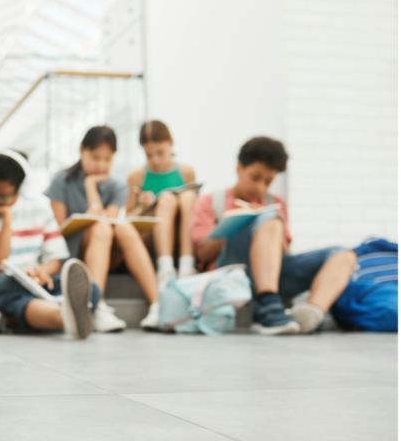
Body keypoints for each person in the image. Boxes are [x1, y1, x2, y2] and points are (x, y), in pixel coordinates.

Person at [191, 136, 356, 335]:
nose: (260, 187)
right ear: (239, 168)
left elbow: (284, 253)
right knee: (267, 218)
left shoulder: (275, 203)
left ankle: (311, 314)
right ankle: (268, 304)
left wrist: (267, 223)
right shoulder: (211, 202)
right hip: (229, 271)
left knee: (343, 255)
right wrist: (238, 222)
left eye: (268, 181)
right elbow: (202, 254)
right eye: (255, 177)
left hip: (271, 272)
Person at [0, 150, 100, 339]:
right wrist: (7, 217)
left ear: (20, 188)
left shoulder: (40, 208)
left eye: (2, 196)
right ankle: (62, 317)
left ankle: (10, 320)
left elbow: (55, 256)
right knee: (6, 286)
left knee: (92, 290)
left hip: (33, 278)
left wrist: (42, 271)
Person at [45, 125, 160, 330]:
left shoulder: (117, 186)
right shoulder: (61, 181)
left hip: (107, 251)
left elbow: (110, 217)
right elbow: (58, 230)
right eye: (96, 158)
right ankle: (97, 305)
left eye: (107, 159)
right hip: (72, 254)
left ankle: (157, 304)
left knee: (122, 228)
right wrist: (90, 186)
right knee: (101, 229)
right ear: (82, 151)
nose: (101, 165)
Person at [126, 120, 198, 284]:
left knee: (187, 197)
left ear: (170, 144)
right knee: (167, 199)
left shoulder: (186, 173)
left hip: (181, 234)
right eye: (149, 155)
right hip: (152, 238)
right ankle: (165, 268)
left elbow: (193, 211)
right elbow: (128, 218)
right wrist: (144, 207)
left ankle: (187, 265)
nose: (156, 160)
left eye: (160, 152)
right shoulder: (137, 177)